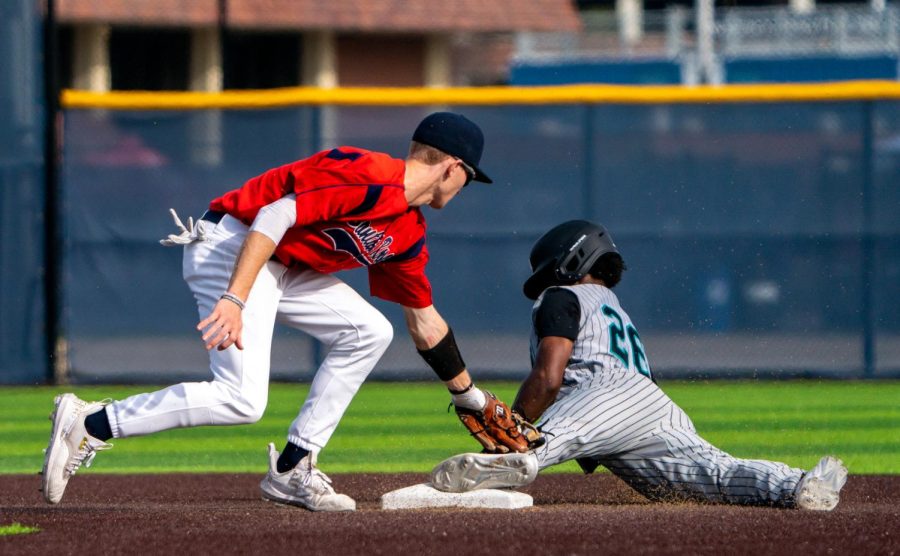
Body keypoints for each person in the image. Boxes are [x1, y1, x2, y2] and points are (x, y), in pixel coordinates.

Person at [42, 112, 527, 511]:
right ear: (452, 167)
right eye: (469, 176)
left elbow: (425, 319)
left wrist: (469, 396)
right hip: (232, 244)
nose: (466, 186)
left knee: (369, 331)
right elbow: (275, 214)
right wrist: (234, 299)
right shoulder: (370, 174)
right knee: (241, 400)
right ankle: (90, 422)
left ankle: (295, 466)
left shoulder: (407, 230)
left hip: (279, 264)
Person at [430, 220, 848, 511]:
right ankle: (799, 486)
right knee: (716, 476)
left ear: (568, 261)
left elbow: (549, 374)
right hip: (649, 407)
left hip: (606, 393)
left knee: (525, 448)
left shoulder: (561, 294)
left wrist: (517, 422)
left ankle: (491, 469)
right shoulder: (613, 305)